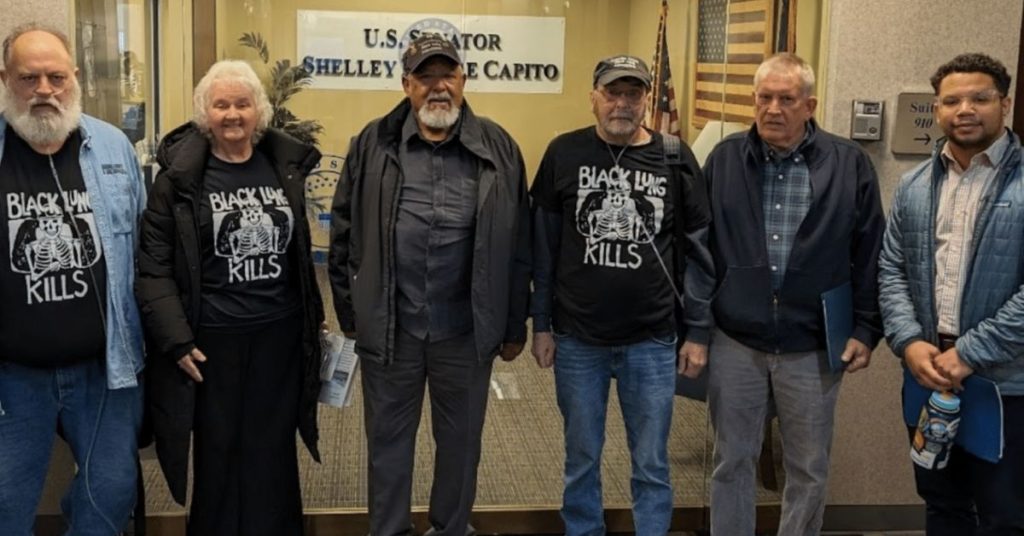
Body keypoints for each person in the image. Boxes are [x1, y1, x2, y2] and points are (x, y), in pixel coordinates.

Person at [328, 33, 530, 536]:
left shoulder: (500, 148)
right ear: (406, 84)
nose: (438, 87)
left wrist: (512, 325)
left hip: (465, 331)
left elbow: (519, 244)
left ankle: (451, 528)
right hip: (392, 329)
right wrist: (353, 316)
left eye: (448, 75)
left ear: (464, 80)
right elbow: (343, 234)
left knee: (461, 446)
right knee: (388, 446)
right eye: (425, 77)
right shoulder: (373, 143)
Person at [135, 59, 324, 536]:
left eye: (243, 104)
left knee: (272, 449)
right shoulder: (177, 181)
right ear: (205, 113)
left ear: (259, 111)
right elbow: (153, 268)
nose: (233, 114)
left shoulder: (283, 167)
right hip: (210, 343)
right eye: (221, 105)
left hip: (279, 336)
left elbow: (299, 254)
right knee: (218, 452)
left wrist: (312, 317)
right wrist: (177, 340)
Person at [529, 55, 715, 535]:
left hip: (652, 340)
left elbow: (700, 253)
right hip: (577, 338)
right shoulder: (563, 153)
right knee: (581, 457)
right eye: (613, 93)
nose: (622, 103)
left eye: (633, 94)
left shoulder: (675, 157)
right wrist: (541, 324)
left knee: (651, 462)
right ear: (593, 97)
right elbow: (544, 249)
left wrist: (697, 331)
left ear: (647, 100)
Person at [703, 52, 885, 535]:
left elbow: (871, 253)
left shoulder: (849, 164)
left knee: (808, 468)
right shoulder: (724, 159)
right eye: (764, 97)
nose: (773, 109)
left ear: (810, 105)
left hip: (813, 344)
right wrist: (699, 325)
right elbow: (699, 250)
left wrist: (867, 328)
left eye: (786, 99)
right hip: (736, 339)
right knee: (731, 461)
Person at [0, 22, 147, 534]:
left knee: (111, 493)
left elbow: (145, 250)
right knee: (5, 503)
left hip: (105, 370)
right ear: (5, 79)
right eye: (29, 78)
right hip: (13, 378)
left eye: (56, 77)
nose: (44, 90)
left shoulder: (112, 148)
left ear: (75, 77)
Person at [879, 52, 1024, 534]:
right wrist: (908, 342)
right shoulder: (914, 185)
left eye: (980, 98)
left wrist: (970, 353)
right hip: (928, 375)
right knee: (942, 504)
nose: (965, 110)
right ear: (937, 109)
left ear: (1004, 104)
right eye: (952, 101)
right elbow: (892, 268)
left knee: (1005, 515)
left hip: (1006, 386)